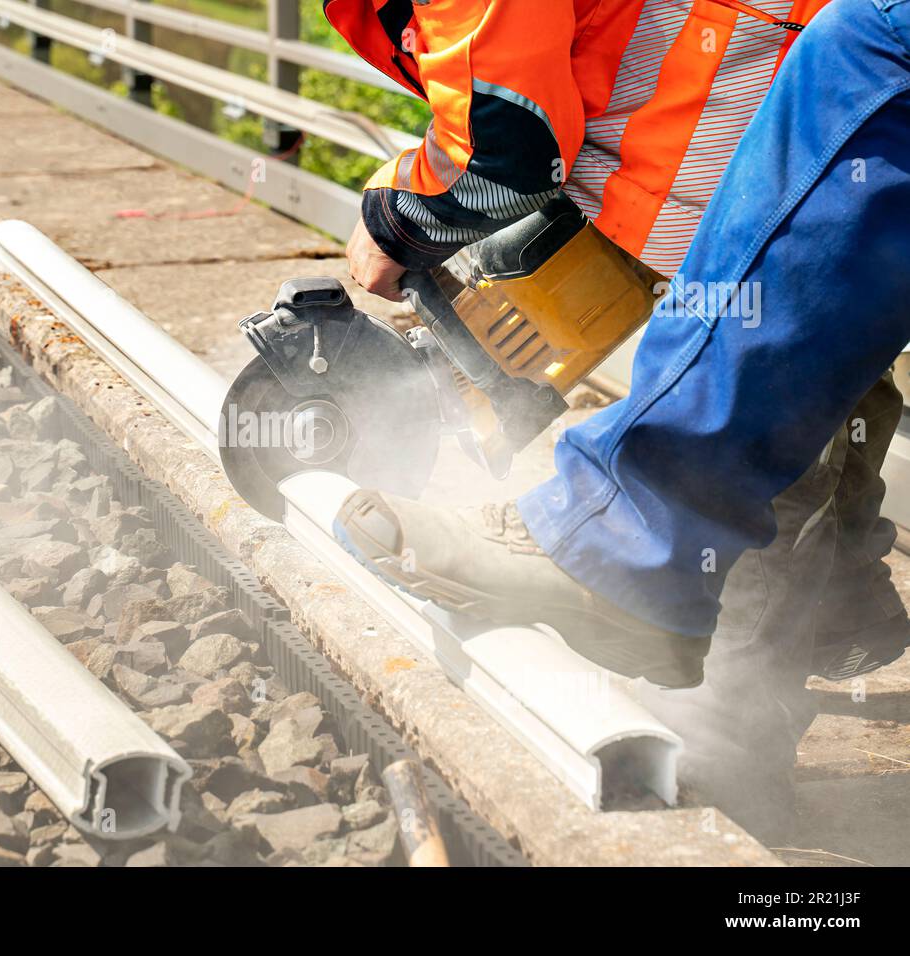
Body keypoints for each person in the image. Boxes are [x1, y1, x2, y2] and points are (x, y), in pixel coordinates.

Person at [327, 0, 910, 836]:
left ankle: (722, 768)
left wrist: (396, 219)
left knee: (775, 442)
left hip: (766, 155)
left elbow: (506, 151)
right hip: (762, 155)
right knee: (813, 389)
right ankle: (836, 594)